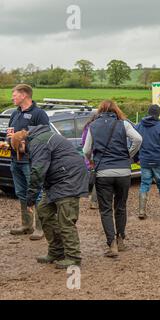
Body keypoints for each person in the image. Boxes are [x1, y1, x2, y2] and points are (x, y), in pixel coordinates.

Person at [10, 125, 88, 269]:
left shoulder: (37, 143)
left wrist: (30, 200)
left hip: (69, 179)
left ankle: (73, 257)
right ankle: (56, 251)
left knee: (66, 219)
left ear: (22, 143)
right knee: (44, 210)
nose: (24, 154)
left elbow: (38, 170)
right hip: (57, 180)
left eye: (21, 151)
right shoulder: (37, 140)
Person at [83, 100, 142, 258]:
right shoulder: (123, 124)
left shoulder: (93, 126)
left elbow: (86, 149)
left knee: (106, 209)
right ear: (116, 110)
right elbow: (138, 139)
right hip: (123, 171)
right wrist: (128, 155)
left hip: (103, 172)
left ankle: (112, 244)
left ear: (100, 110)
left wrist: (92, 160)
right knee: (121, 207)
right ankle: (121, 239)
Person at [7, 84, 49, 241]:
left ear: (24, 95)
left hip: (30, 161)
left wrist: (26, 145)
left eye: (15, 94)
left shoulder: (39, 114)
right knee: (21, 193)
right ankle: (26, 225)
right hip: (15, 160)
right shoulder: (15, 114)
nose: (12, 97)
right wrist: (8, 141)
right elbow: (10, 134)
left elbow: (45, 137)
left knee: (36, 194)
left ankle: (40, 228)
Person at [136, 104, 160, 218]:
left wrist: (136, 158)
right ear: (158, 113)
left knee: (144, 184)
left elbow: (135, 143)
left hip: (145, 160)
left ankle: (142, 211)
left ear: (148, 112)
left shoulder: (139, 126)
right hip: (159, 160)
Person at [81, 113, 99, 209]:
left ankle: (94, 201)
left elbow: (83, 143)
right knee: (98, 180)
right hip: (93, 157)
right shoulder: (94, 128)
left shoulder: (86, 127)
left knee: (96, 178)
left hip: (88, 156)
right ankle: (94, 201)